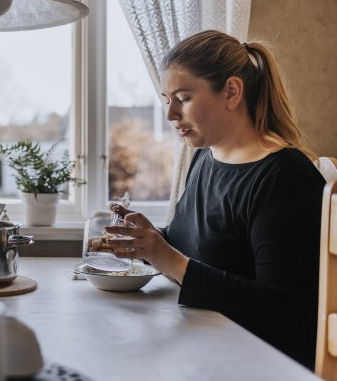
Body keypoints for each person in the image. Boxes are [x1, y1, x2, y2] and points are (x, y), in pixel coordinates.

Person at [106, 30, 324, 369]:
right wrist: (149, 241)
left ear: (232, 92)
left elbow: (285, 312)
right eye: (167, 100)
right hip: (207, 348)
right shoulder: (205, 159)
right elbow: (198, 251)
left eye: (184, 97)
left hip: (261, 367)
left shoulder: (284, 178)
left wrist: (170, 260)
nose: (171, 115)